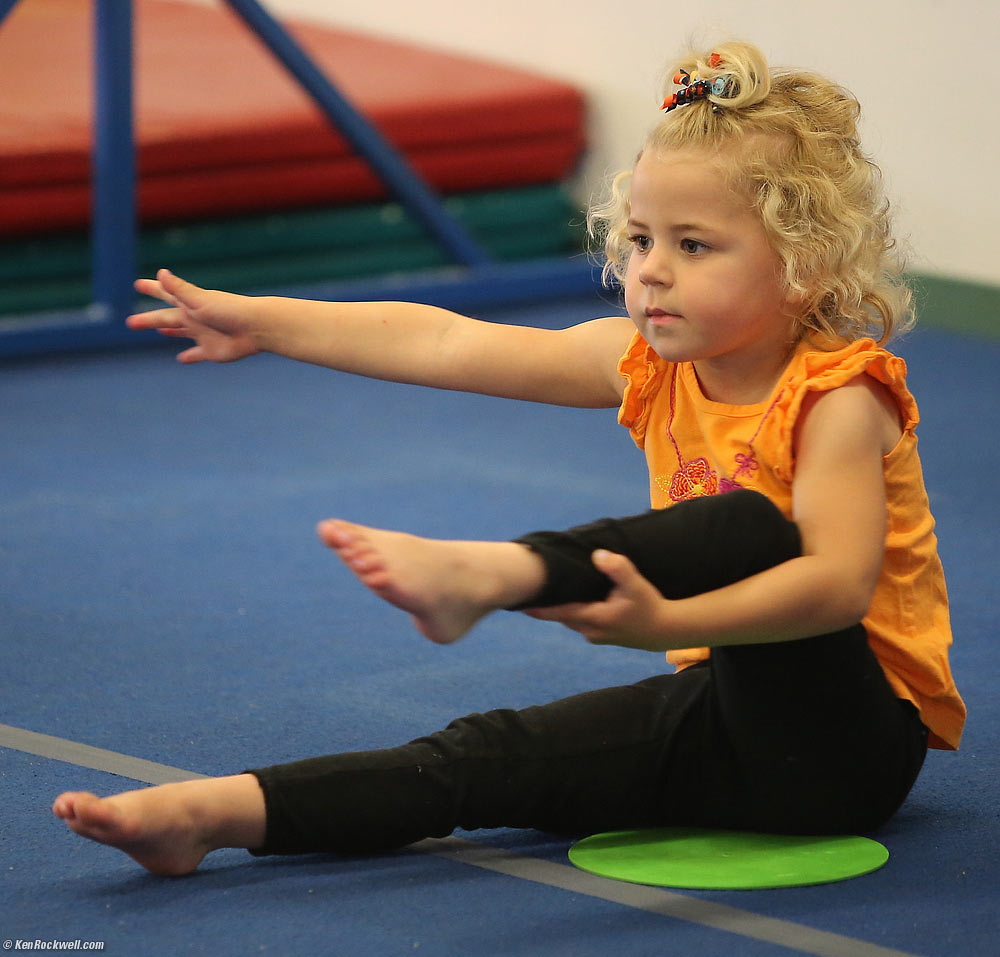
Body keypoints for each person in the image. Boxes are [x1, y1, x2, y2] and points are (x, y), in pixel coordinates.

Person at [52, 40, 964, 877]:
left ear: (802, 264)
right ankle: (209, 816)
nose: (651, 270)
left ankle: (496, 572)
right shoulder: (641, 366)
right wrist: (266, 322)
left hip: (852, 743)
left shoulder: (839, 395)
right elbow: (447, 343)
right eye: (642, 239)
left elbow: (837, 587)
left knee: (746, 526)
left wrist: (663, 622)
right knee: (487, 755)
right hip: (728, 718)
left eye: (695, 246)